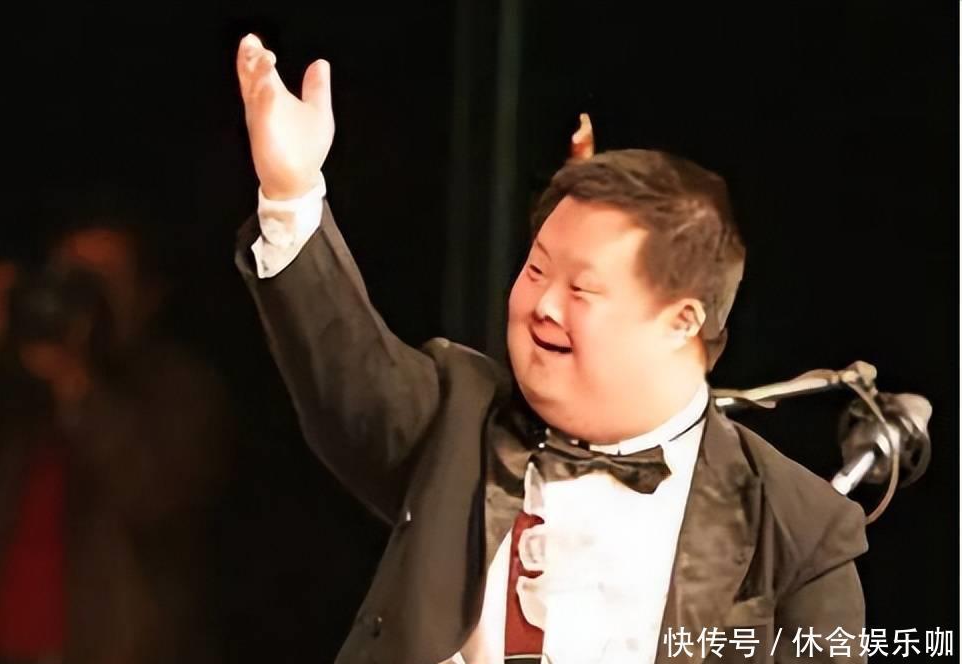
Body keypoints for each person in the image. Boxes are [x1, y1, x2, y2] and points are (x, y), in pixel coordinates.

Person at [232, 34, 868, 664]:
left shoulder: (794, 527)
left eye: (582, 289)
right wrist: (292, 192)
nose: (544, 305)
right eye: (536, 270)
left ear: (681, 322)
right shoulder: (459, 418)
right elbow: (347, 373)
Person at [0, 218, 231, 664]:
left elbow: (155, 495)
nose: (80, 295)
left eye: (100, 282)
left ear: (146, 297)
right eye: (69, 277)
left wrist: (76, 384)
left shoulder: (179, 388)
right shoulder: (23, 383)